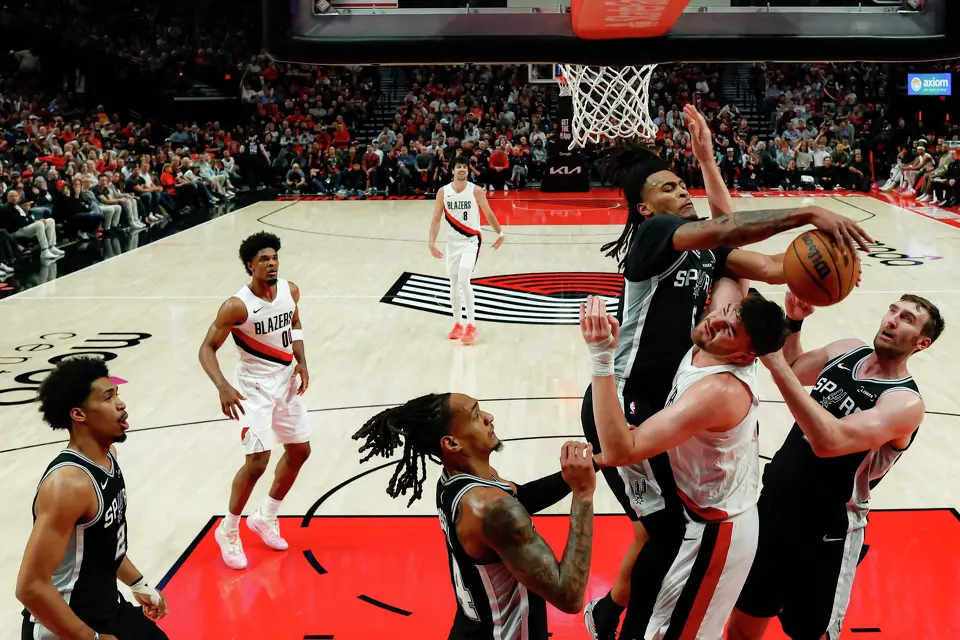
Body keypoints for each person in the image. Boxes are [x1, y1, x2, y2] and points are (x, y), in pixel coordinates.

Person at [581, 105, 874, 640]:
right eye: (669, 189)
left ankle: (618, 611)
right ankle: (622, 618)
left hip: (666, 402)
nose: (680, 193)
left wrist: (708, 161)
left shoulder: (705, 249)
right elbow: (724, 226)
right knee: (667, 531)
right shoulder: (656, 238)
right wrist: (807, 211)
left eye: (681, 185)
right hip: (624, 402)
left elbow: (761, 262)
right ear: (646, 209)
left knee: (663, 530)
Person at [727, 292, 944, 640]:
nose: (892, 319)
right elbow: (796, 371)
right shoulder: (848, 349)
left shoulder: (904, 402)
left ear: (922, 343)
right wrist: (794, 323)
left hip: (826, 533)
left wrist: (773, 358)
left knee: (813, 633)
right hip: (773, 510)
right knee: (742, 624)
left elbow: (830, 441)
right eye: (893, 310)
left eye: (907, 318)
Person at [580, 283, 787, 640]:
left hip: (717, 529)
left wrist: (602, 355)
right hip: (698, 515)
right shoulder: (718, 334)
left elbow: (620, 451)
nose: (716, 322)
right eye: (724, 313)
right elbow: (728, 275)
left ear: (744, 357)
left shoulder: (717, 391)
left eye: (729, 330)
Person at [352, 393, 597, 639]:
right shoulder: (489, 508)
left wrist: (595, 463)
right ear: (452, 443)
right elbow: (570, 596)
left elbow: (520, 497)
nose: (489, 418)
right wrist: (583, 494)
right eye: (476, 416)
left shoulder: (457, 482)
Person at [16, 357, 169, 640]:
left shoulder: (107, 457)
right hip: (62, 626)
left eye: (117, 394)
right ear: (79, 414)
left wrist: (139, 584)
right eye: (108, 397)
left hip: (105, 607)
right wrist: (91, 638)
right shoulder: (68, 485)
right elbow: (31, 586)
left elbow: (102, 542)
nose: (121, 404)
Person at [198, 231, 311, 570]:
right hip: (254, 389)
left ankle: (266, 516)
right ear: (250, 265)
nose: (271, 263)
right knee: (258, 462)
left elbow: (295, 324)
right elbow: (206, 349)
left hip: (286, 381)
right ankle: (229, 528)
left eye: (274, 257)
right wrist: (222, 386)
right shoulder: (237, 306)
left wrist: (302, 361)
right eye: (264, 259)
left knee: (300, 452)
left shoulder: (290, 291)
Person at [428, 155, 506, 345]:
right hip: (452, 242)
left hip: (472, 240)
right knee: (453, 282)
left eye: (465, 167)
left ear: (468, 171)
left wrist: (500, 233)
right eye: (459, 167)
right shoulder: (443, 192)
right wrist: (431, 242)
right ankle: (457, 323)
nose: (462, 170)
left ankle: (471, 324)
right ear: (452, 170)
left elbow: (488, 212)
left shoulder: (476, 190)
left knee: (464, 279)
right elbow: (437, 218)